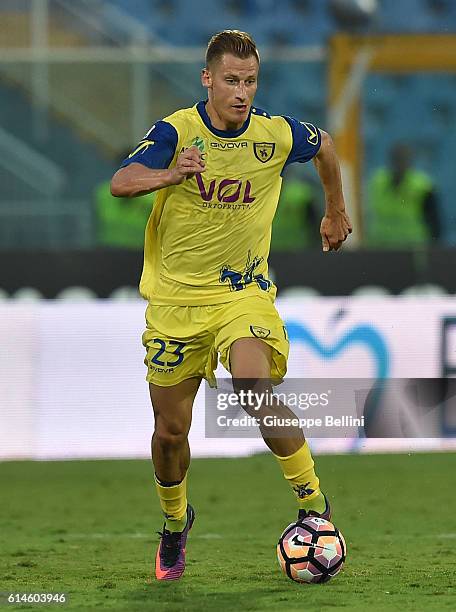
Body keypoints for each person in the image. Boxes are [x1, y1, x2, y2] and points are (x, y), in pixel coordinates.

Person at [111, 30, 352, 581]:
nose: (241, 92)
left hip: (240, 293)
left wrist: (335, 210)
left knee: (251, 385)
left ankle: (314, 503)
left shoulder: (275, 135)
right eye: (230, 81)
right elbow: (121, 183)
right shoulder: (177, 131)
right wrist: (172, 174)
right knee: (170, 434)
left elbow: (328, 146)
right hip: (174, 303)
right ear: (207, 79)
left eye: (249, 82)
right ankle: (175, 525)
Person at [367, 143, 441, 248]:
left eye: (403, 160)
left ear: (410, 162)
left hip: (413, 250)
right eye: (397, 160)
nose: (400, 164)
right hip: (380, 248)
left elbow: (435, 225)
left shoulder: (422, 187)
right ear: (391, 161)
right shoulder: (377, 182)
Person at [95, 152, 154, 249]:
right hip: (107, 251)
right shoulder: (102, 194)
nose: (128, 176)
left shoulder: (151, 199)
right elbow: (93, 227)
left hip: (140, 252)